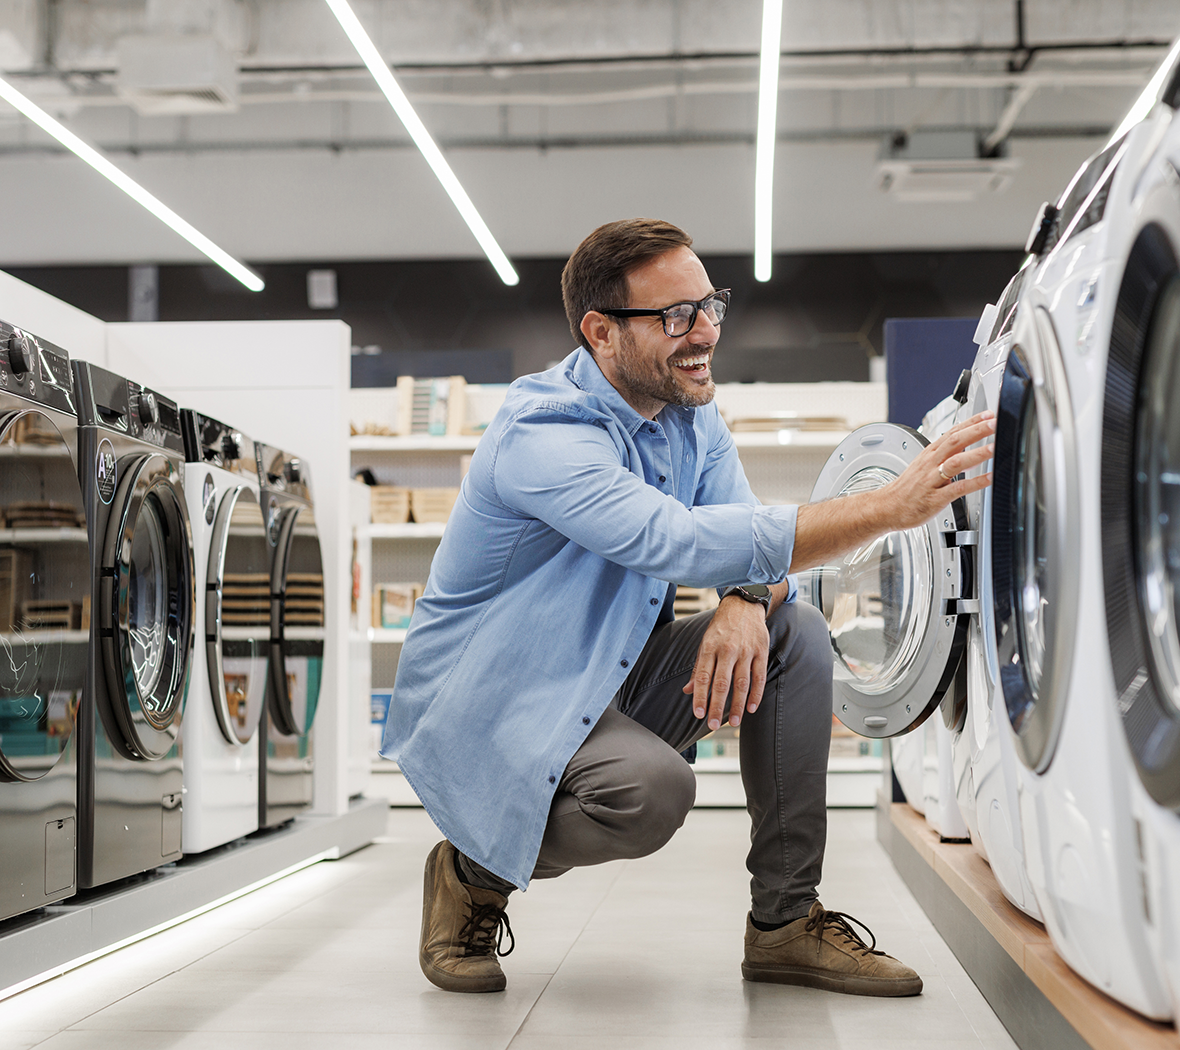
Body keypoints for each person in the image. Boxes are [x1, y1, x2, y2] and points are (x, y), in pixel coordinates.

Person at [381, 218, 995, 998]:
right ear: (601, 332)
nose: (705, 331)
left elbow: (743, 536)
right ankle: (469, 870)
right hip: (501, 696)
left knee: (792, 632)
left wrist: (744, 601)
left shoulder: (689, 411)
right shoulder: (543, 433)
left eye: (712, 306)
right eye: (677, 316)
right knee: (651, 793)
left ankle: (784, 923)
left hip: (613, 667)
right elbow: (673, 539)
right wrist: (888, 506)